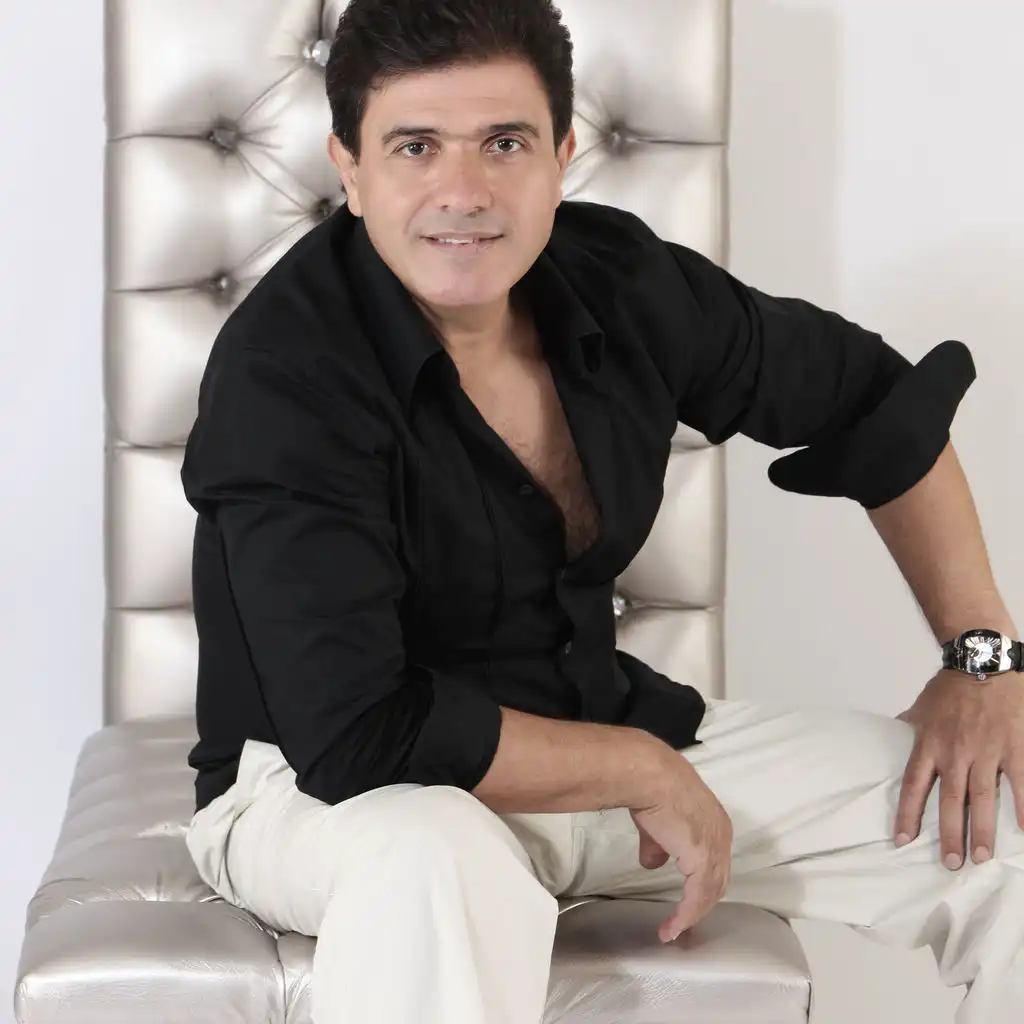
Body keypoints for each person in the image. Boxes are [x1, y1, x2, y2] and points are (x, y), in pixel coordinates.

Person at [181, 2, 1024, 1022]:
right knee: (435, 862)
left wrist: (983, 660)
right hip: (326, 795)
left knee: (1006, 810)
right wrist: (635, 766)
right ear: (349, 170)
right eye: (415, 146)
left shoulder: (620, 281)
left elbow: (873, 401)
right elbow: (359, 730)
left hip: (592, 743)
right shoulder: (285, 371)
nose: (464, 191)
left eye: (504, 143)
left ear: (561, 156)